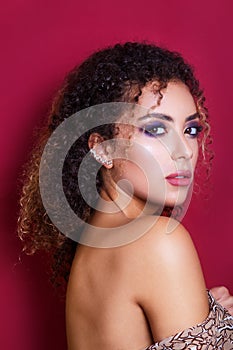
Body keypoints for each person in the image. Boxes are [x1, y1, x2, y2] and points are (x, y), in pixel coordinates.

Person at [17, 42, 233, 349]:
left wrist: (209, 323)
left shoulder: (95, 245)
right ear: (102, 148)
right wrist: (220, 331)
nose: (184, 151)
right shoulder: (157, 240)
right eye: (156, 130)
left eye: (191, 130)